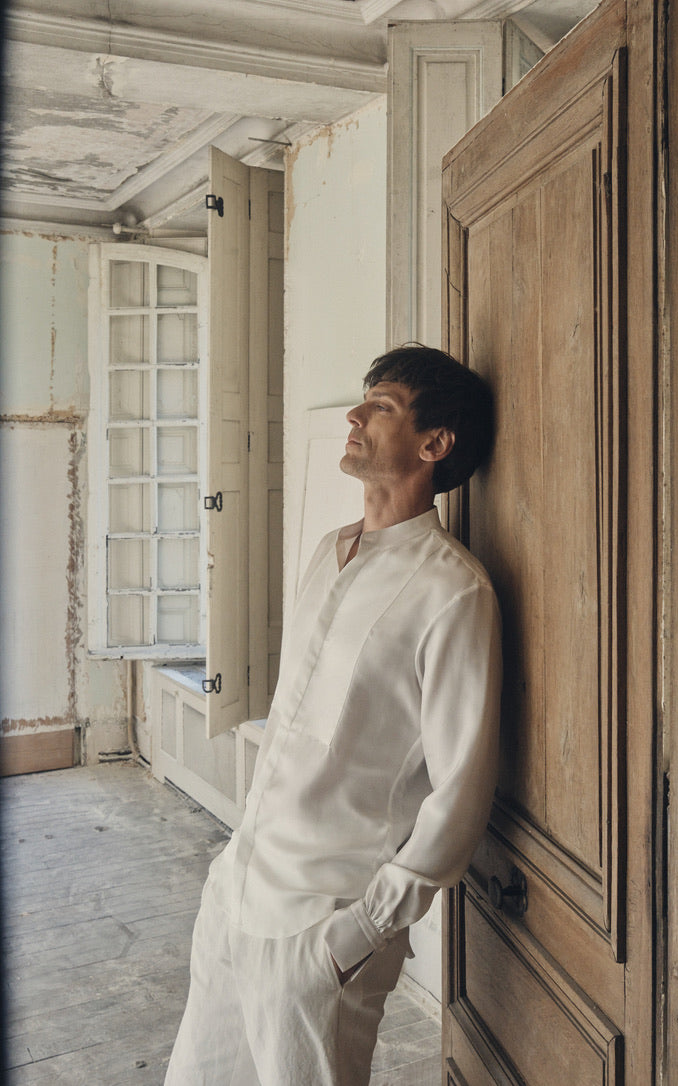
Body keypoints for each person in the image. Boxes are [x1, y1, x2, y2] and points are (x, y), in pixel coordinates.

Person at [165, 344, 502, 1086]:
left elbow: (461, 791)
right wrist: (229, 874)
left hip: (320, 929)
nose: (355, 414)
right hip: (238, 894)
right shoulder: (329, 552)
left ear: (433, 444)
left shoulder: (453, 591)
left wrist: (361, 932)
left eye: (381, 406)